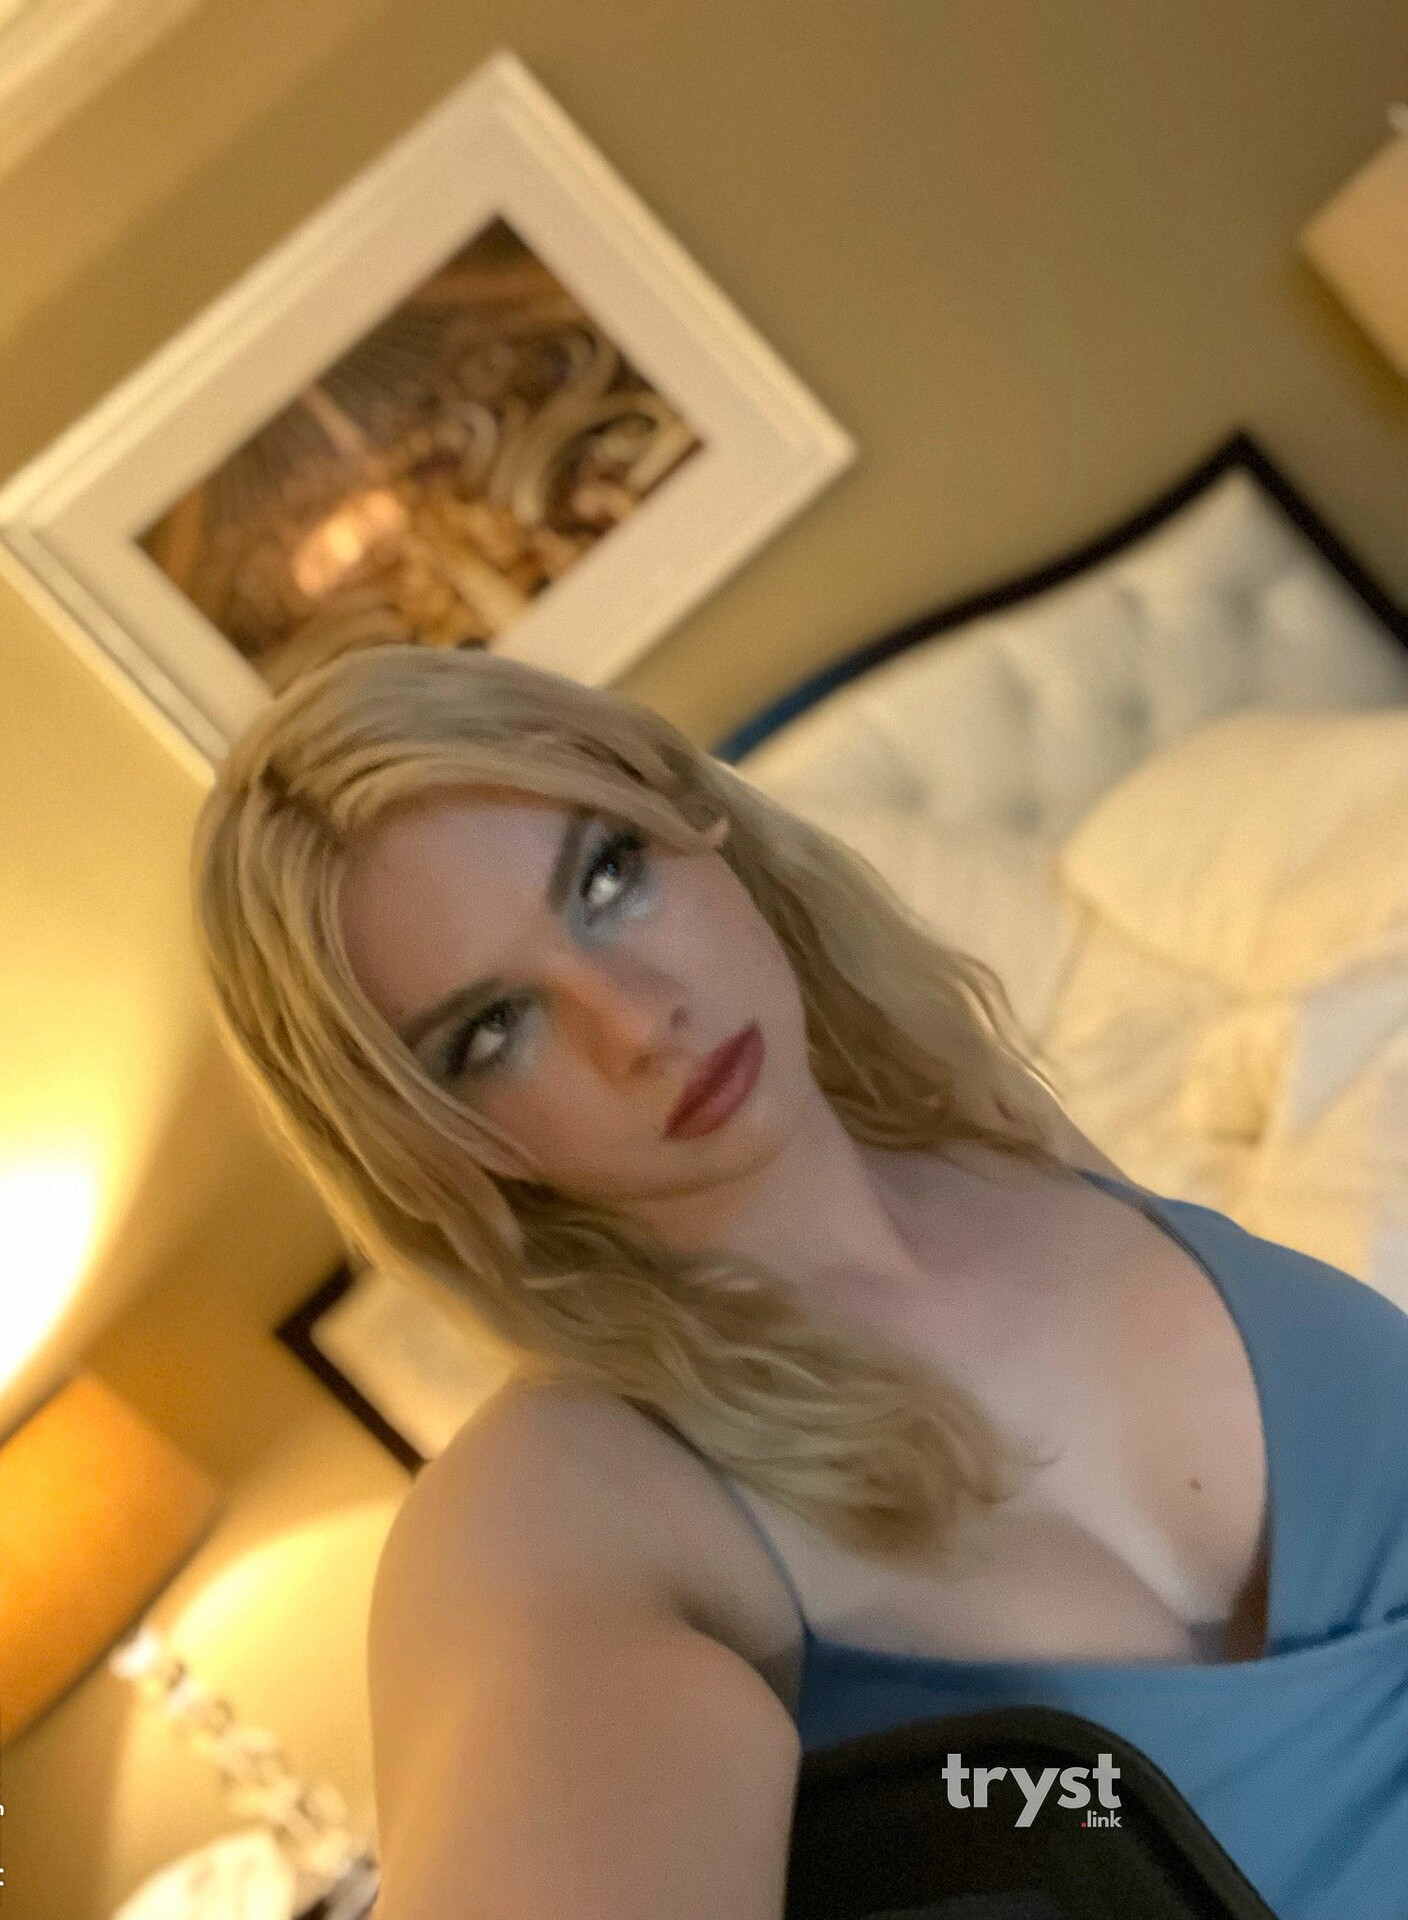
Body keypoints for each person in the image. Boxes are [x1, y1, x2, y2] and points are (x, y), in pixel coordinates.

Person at [191, 643, 1408, 1920]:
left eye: (606, 877)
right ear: (432, 1138)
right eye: (494, 1029)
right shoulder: (555, 1506)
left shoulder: (988, 1122)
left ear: (697, 819)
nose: (635, 1021)